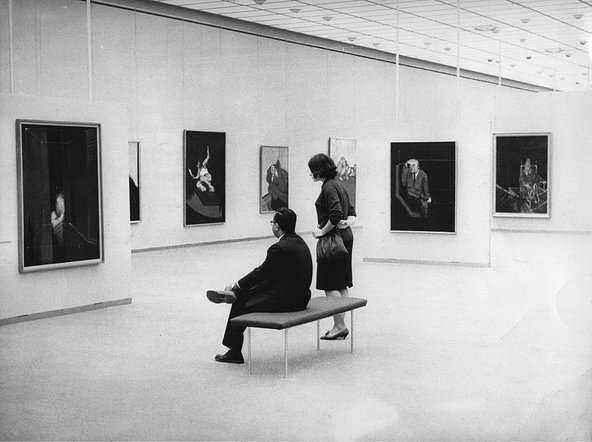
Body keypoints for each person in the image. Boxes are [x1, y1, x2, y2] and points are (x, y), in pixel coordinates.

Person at [206, 208, 313, 364]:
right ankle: (237, 292)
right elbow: (270, 274)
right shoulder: (300, 242)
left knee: (239, 303)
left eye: (272, 223)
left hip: (288, 301)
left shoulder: (278, 248)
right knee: (247, 290)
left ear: (276, 226)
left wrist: (237, 283)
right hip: (301, 297)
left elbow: (260, 273)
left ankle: (234, 351)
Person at [308, 153, 356, 340]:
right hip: (345, 237)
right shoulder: (339, 184)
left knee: (330, 284)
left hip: (333, 241)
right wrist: (346, 223)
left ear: (318, 170)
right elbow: (351, 213)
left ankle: (339, 325)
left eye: (312, 170)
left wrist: (322, 231)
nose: (311, 174)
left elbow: (335, 214)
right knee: (341, 283)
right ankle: (339, 326)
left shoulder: (328, 187)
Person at [50, 191, 66, 262]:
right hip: (56, 244)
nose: (59, 206)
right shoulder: (53, 213)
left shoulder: (65, 213)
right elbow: (53, 225)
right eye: (57, 203)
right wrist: (61, 217)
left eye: (61, 203)